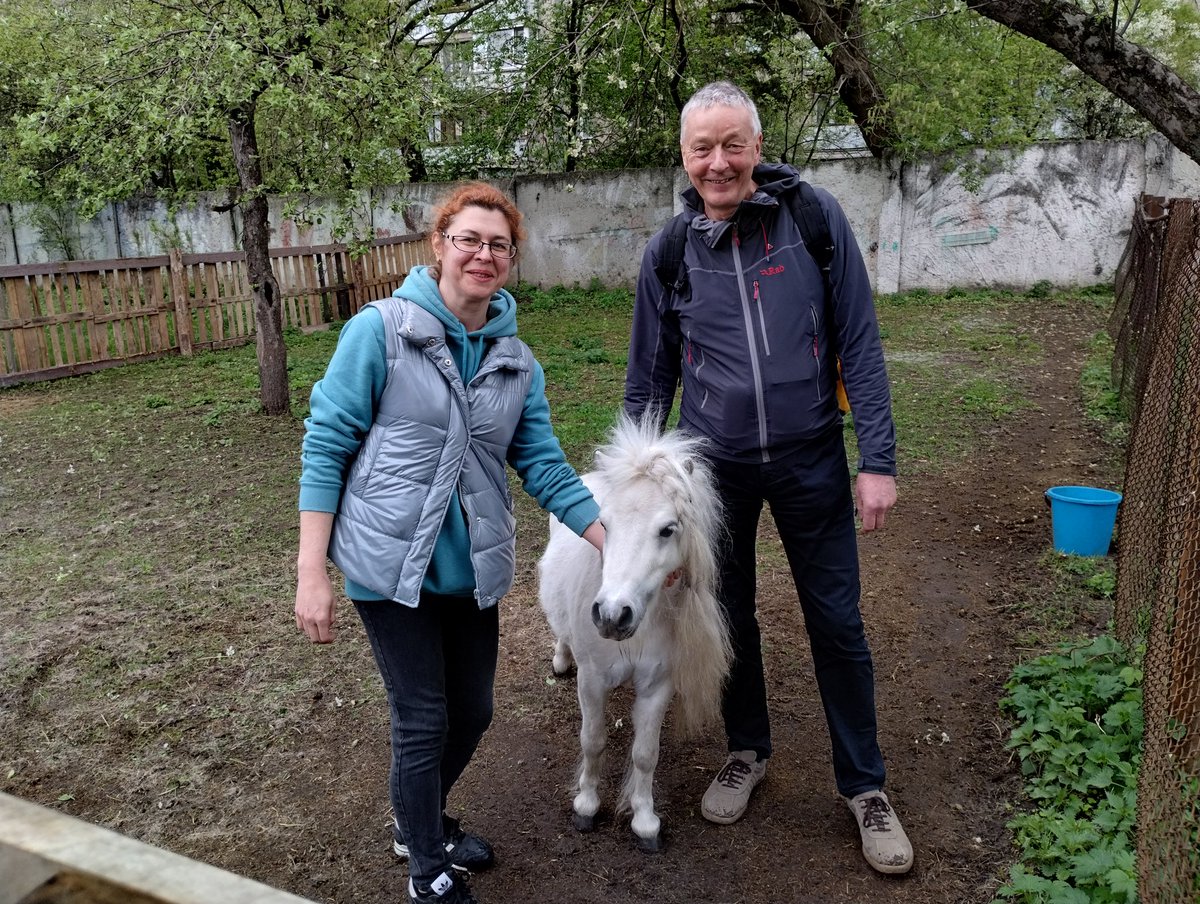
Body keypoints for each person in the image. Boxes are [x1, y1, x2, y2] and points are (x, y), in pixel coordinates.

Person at [623, 81, 913, 875]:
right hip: (714, 474)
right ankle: (747, 749)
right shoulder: (671, 251)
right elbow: (648, 380)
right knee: (729, 616)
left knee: (838, 623)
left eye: (731, 144)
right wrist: (638, 491)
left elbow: (859, 337)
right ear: (684, 159)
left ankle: (865, 786)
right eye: (701, 149)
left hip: (811, 457)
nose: (718, 163)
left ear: (756, 144)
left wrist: (877, 459)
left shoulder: (812, 220)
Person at [295, 182, 605, 904]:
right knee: (423, 716)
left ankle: (417, 819)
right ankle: (426, 868)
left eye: (498, 244)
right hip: (385, 564)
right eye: (468, 239)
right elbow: (326, 443)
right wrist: (312, 569)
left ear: (511, 259)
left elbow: (544, 464)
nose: (483, 254)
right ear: (438, 246)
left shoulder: (516, 361)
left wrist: (612, 542)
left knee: (474, 712)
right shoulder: (381, 331)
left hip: (470, 569)